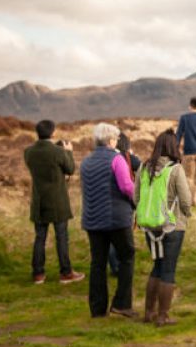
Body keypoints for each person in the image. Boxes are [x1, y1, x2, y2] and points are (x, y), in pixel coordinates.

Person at [79, 123, 138, 319]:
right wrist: (137, 201)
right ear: (112, 140)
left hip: (92, 219)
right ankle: (121, 303)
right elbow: (127, 188)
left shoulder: (86, 162)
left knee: (98, 263)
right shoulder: (116, 159)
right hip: (116, 219)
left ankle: (97, 308)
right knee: (127, 256)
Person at [135, 128, 192, 326]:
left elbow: (137, 197)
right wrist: (187, 214)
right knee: (168, 269)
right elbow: (186, 200)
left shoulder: (143, 168)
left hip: (150, 226)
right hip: (173, 227)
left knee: (157, 267)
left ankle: (149, 312)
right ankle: (163, 316)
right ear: (174, 147)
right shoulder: (175, 169)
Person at [23, 119, 85, 285]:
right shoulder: (57, 152)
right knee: (62, 238)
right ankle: (66, 273)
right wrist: (69, 152)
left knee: (39, 238)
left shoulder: (28, 152)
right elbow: (70, 169)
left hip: (39, 201)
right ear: (52, 133)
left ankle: (38, 274)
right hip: (57, 200)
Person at [108, 132, 140, 277]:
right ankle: (122, 267)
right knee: (123, 237)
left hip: (106, 202)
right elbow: (141, 169)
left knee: (109, 239)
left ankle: (114, 266)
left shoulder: (107, 157)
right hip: (125, 202)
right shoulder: (128, 158)